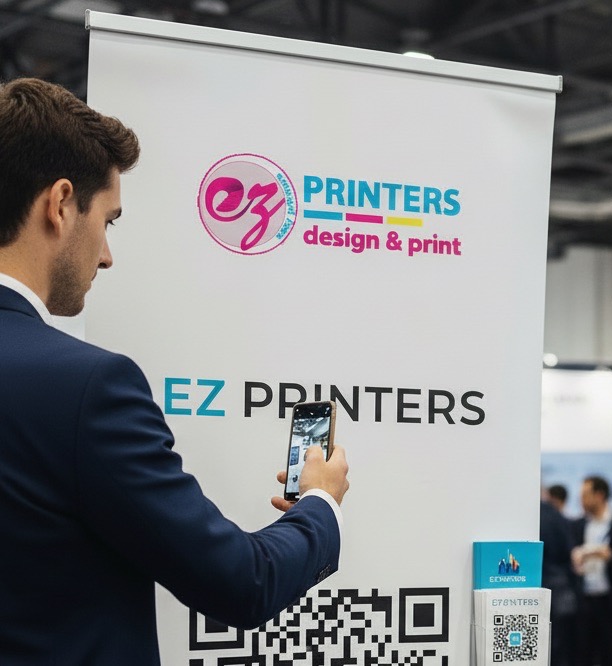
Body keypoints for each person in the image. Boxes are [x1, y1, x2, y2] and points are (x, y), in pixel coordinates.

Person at [0, 77, 350, 665]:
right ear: (59, 205)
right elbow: (243, 582)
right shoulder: (85, 388)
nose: (107, 255)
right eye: (108, 221)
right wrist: (321, 504)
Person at [571, 475, 612, 666]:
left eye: (585, 495)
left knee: (609, 654)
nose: (581, 500)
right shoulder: (577, 526)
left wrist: (611, 556)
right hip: (584, 601)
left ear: (599, 495)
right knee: (582, 655)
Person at [540, 499, 577, 666]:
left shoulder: (531, 514)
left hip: (536, 585)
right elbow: (568, 551)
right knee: (559, 642)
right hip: (559, 584)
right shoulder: (555, 515)